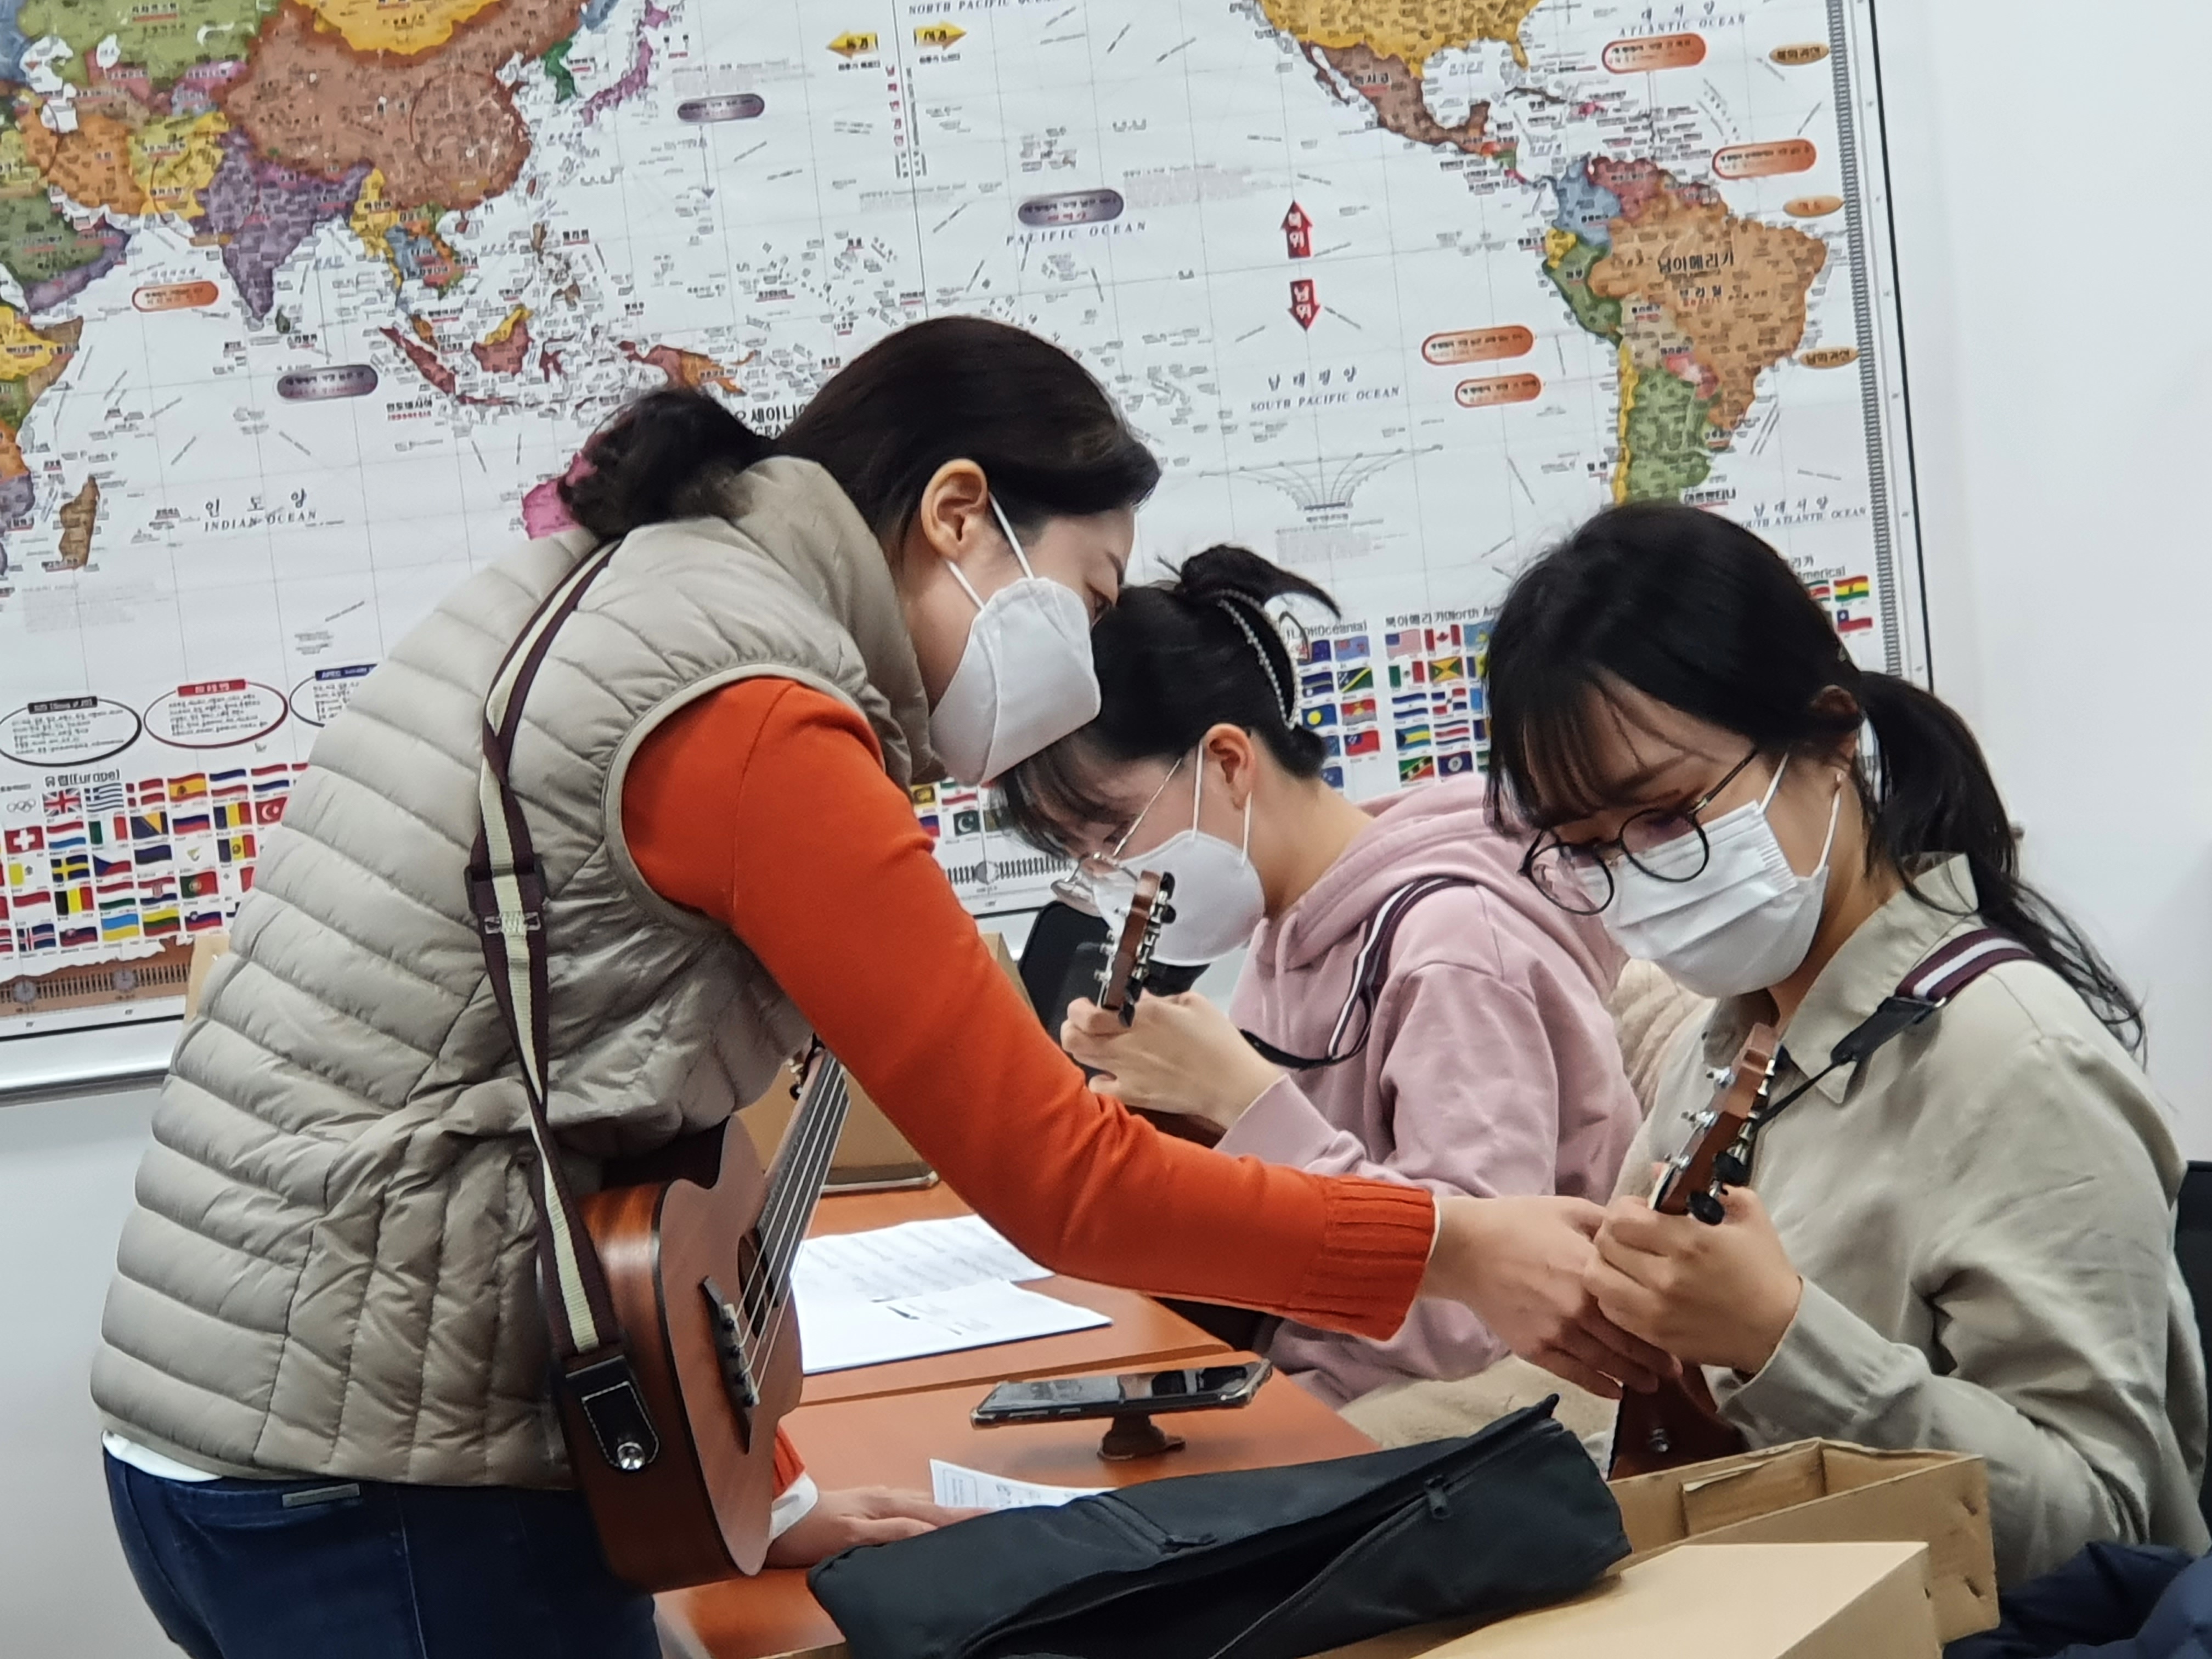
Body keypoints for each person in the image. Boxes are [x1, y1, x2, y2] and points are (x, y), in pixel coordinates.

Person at [92, 318, 1663, 1659]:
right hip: (377, 1479)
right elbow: (1061, 1180)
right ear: (960, 513)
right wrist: (1458, 1244)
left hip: (248, 1427)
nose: (1086, 661)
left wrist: (765, 1489)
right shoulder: (753, 708)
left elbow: (617, 1068)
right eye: (1091, 598)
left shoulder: (634, 596)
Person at [1482, 500, 2209, 1583]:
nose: (1636, 880)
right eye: (1586, 850)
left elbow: (2104, 1529)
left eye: (1668, 817)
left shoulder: (2017, 1060)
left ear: (1828, 738)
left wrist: (1781, 1339)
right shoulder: (1729, 1044)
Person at [997, 546, 1643, 1414]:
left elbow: (1467, 1322)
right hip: (1307, 1380)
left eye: (1112, 836)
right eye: (1083, 858)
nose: (1111, 878)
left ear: (1230, 763)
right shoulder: (1289, 929)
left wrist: (1244, 1101)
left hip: (1441, 1418)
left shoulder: (1454, 948)